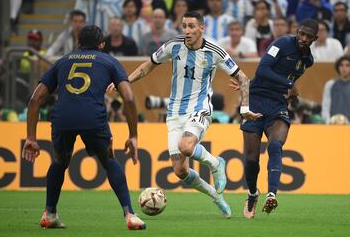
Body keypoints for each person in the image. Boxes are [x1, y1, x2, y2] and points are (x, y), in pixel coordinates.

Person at [116, 11, 262, 218]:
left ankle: (215, 163)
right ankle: (215, 196)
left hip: (199, 107)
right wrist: (125, 82)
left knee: (186, 147)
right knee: (180, 171)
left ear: (202, 28)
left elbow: (244, 79)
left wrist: (245, 109)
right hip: (174, 112)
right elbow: (147, 66)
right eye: (184, 26)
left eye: (192, 26)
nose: (187, 30)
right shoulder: (173, 46)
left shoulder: (215, 51)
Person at [21, 25, 146, 230]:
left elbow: (36, 98)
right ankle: (130, 215)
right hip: (92, 118)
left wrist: (31, 137)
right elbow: (129, 98)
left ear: (78, 43)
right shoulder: (109, 61)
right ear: (102, 44)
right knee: (109, 160)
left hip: (62, 118)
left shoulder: (62, 61)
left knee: (60, 162)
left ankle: (49, 213)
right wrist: (133, 135)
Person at [240, 18, 319, 219]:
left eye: (308, 37)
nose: (303, 38)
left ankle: (272, 194)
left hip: (277, 105)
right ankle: (252, 193)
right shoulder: (282, 44)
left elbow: (289, 83)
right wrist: (288, 84)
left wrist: (289, 93)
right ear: (297, 31)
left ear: (314, 39)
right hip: (256, 99)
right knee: (251, 159)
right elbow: (262, 70)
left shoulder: (308, 61)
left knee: (275, 146)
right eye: (301, 33)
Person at [321, 55, 350, 124]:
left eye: (347, 65)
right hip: (333, 125)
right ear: (338, 67)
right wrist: (328, 123)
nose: (344, 68)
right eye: (341, 65)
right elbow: (325, 107)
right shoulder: (330, 84)